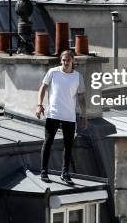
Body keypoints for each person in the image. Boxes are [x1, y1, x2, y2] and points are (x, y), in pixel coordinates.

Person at [36, 49, 87, 184]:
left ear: (73, 61)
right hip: (53, 114)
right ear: (61, 60)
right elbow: (43, 87)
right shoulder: (53, 72)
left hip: (69, 116)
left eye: (68, 60)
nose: (65, 62)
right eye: (63, 60)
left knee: (68, 146)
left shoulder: (78, 76)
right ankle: (44, 172)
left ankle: (65, 173)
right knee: (48, 142)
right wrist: (39, 105)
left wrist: (84, 115)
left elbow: (81, 97)